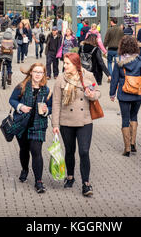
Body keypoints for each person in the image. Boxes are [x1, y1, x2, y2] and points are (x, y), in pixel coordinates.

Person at [52, 53, 101, 197]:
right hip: (66, 120)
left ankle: (86, 183)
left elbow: (98, 92)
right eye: (64, 63)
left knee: (84, 151)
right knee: (69, 150)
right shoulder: (61, 78)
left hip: (85, 120)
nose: (64, 66)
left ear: (75, 64)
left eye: (67, 63)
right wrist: (55, 124)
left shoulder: (88, 76)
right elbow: (56, 102)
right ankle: (70, 176)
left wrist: (92, 95)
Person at [9, 63, 52, 193]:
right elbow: (12, 100)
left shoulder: (47, 90)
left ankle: (38, 181)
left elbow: (51, 107)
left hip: (38, 125)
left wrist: (46, 110)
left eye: (41, 72)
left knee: (36, 151)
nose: (38, 74)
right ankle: (25, 169)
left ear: (44, 74)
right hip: (21, 124)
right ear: (31, 73)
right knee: (24, 149)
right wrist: (20, 106)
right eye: (36, 71)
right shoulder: (21, 87)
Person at [110, 36, 141, 157]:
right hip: (137, 93)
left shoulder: (118, 61)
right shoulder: (140, 60)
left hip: (123, 93)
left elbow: (114, 79)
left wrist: (112, 93)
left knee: (125, 118)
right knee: (134, 116)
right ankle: (133, 143)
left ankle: (126, 148)